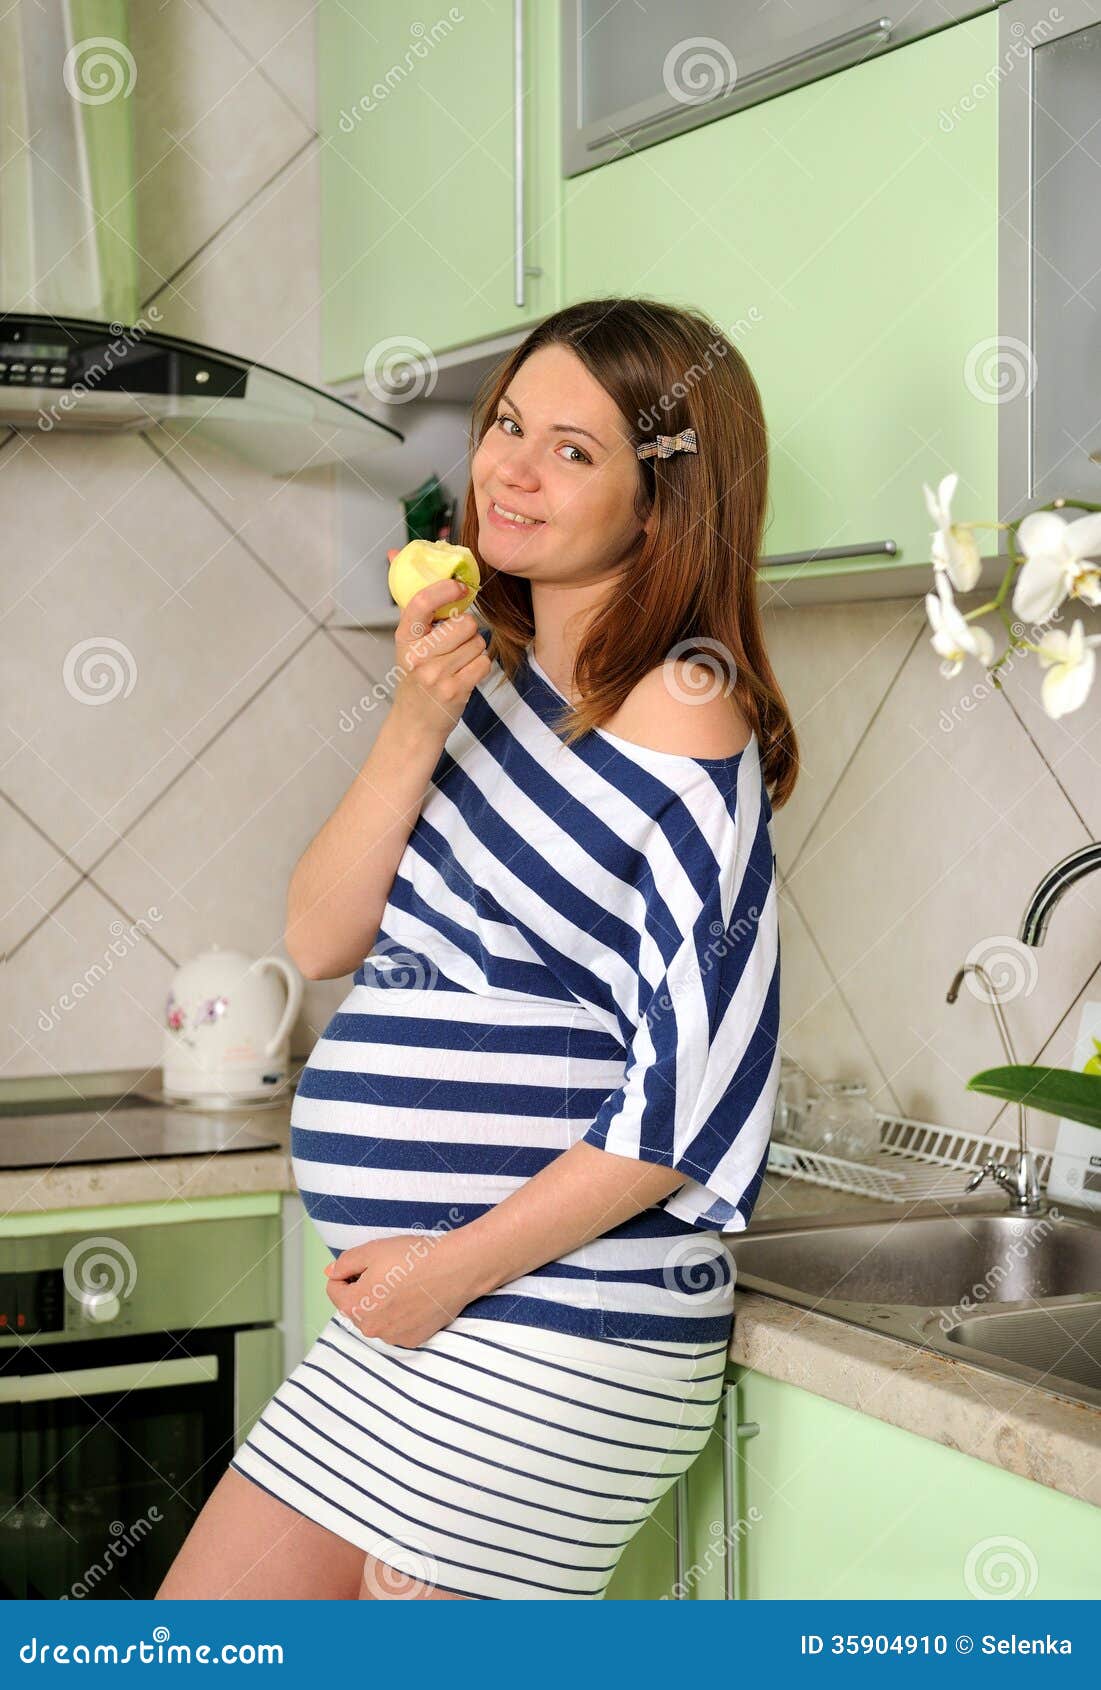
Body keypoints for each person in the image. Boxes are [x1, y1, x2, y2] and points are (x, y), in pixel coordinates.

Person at [157, 295, 798, 1602]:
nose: (508, 465)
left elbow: (684, 1106)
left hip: (548, 1332)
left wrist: (436, 1274)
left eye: (573, 448)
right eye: (509, 422)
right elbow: (317, 934)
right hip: (412, 1328)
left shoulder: (681, 711)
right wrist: (413, 716)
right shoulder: (493, 685)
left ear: (662, 501)